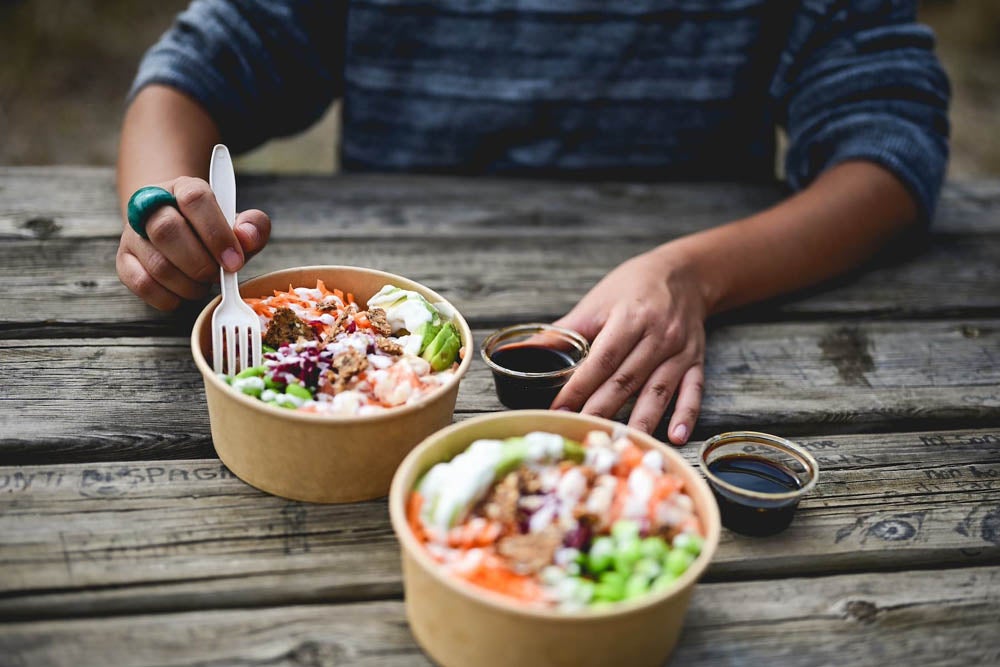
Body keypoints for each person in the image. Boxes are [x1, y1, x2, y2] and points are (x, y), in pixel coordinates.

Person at [115, 0, 950, 444]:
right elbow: (189, 77)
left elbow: (890, 151)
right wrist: (164, 211)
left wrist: (694, 275)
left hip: (701, 360)